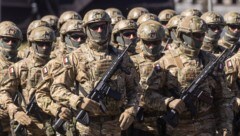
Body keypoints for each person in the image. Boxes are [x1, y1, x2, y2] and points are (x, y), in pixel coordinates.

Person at [49, 9, 140, 135]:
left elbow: (135, 89)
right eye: (94, 27)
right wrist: (78, 101)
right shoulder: (75, 57)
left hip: (115, 126)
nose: (99, 30)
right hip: (87, 127)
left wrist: (131, 110)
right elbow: (57, 89)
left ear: (109, 27)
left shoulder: (121, 56)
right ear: (86, 29)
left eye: (102, 26)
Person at [150, 16, 232, 136]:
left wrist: (225, 125)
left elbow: (223, 98)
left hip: (206, 128)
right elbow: (147, 94)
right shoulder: (165, 62)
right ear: (183, 35)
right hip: (178, 128)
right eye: (196, 35)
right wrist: (168, 102)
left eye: (202, 35)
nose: (201, 39)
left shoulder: (210, 60)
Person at [0, 26, 56, 136]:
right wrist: (14, 111)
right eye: (40, 44)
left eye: (48, 44)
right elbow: (4, 92)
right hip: (28, 123)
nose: (44, 47)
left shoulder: (58, 66)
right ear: (32, 44)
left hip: (55, 121)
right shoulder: (19, 67)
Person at [130, 20, 165, 136]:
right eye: (147, 43)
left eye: (155, 42)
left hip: (167, 122)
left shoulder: (169, 60)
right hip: (142, 124)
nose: (151, 46)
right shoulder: (132, 62)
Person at [0, 21, 22, 136]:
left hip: (20, 118)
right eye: (6, 40)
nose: (10, 43)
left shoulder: (23, 63)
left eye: (14, 41)